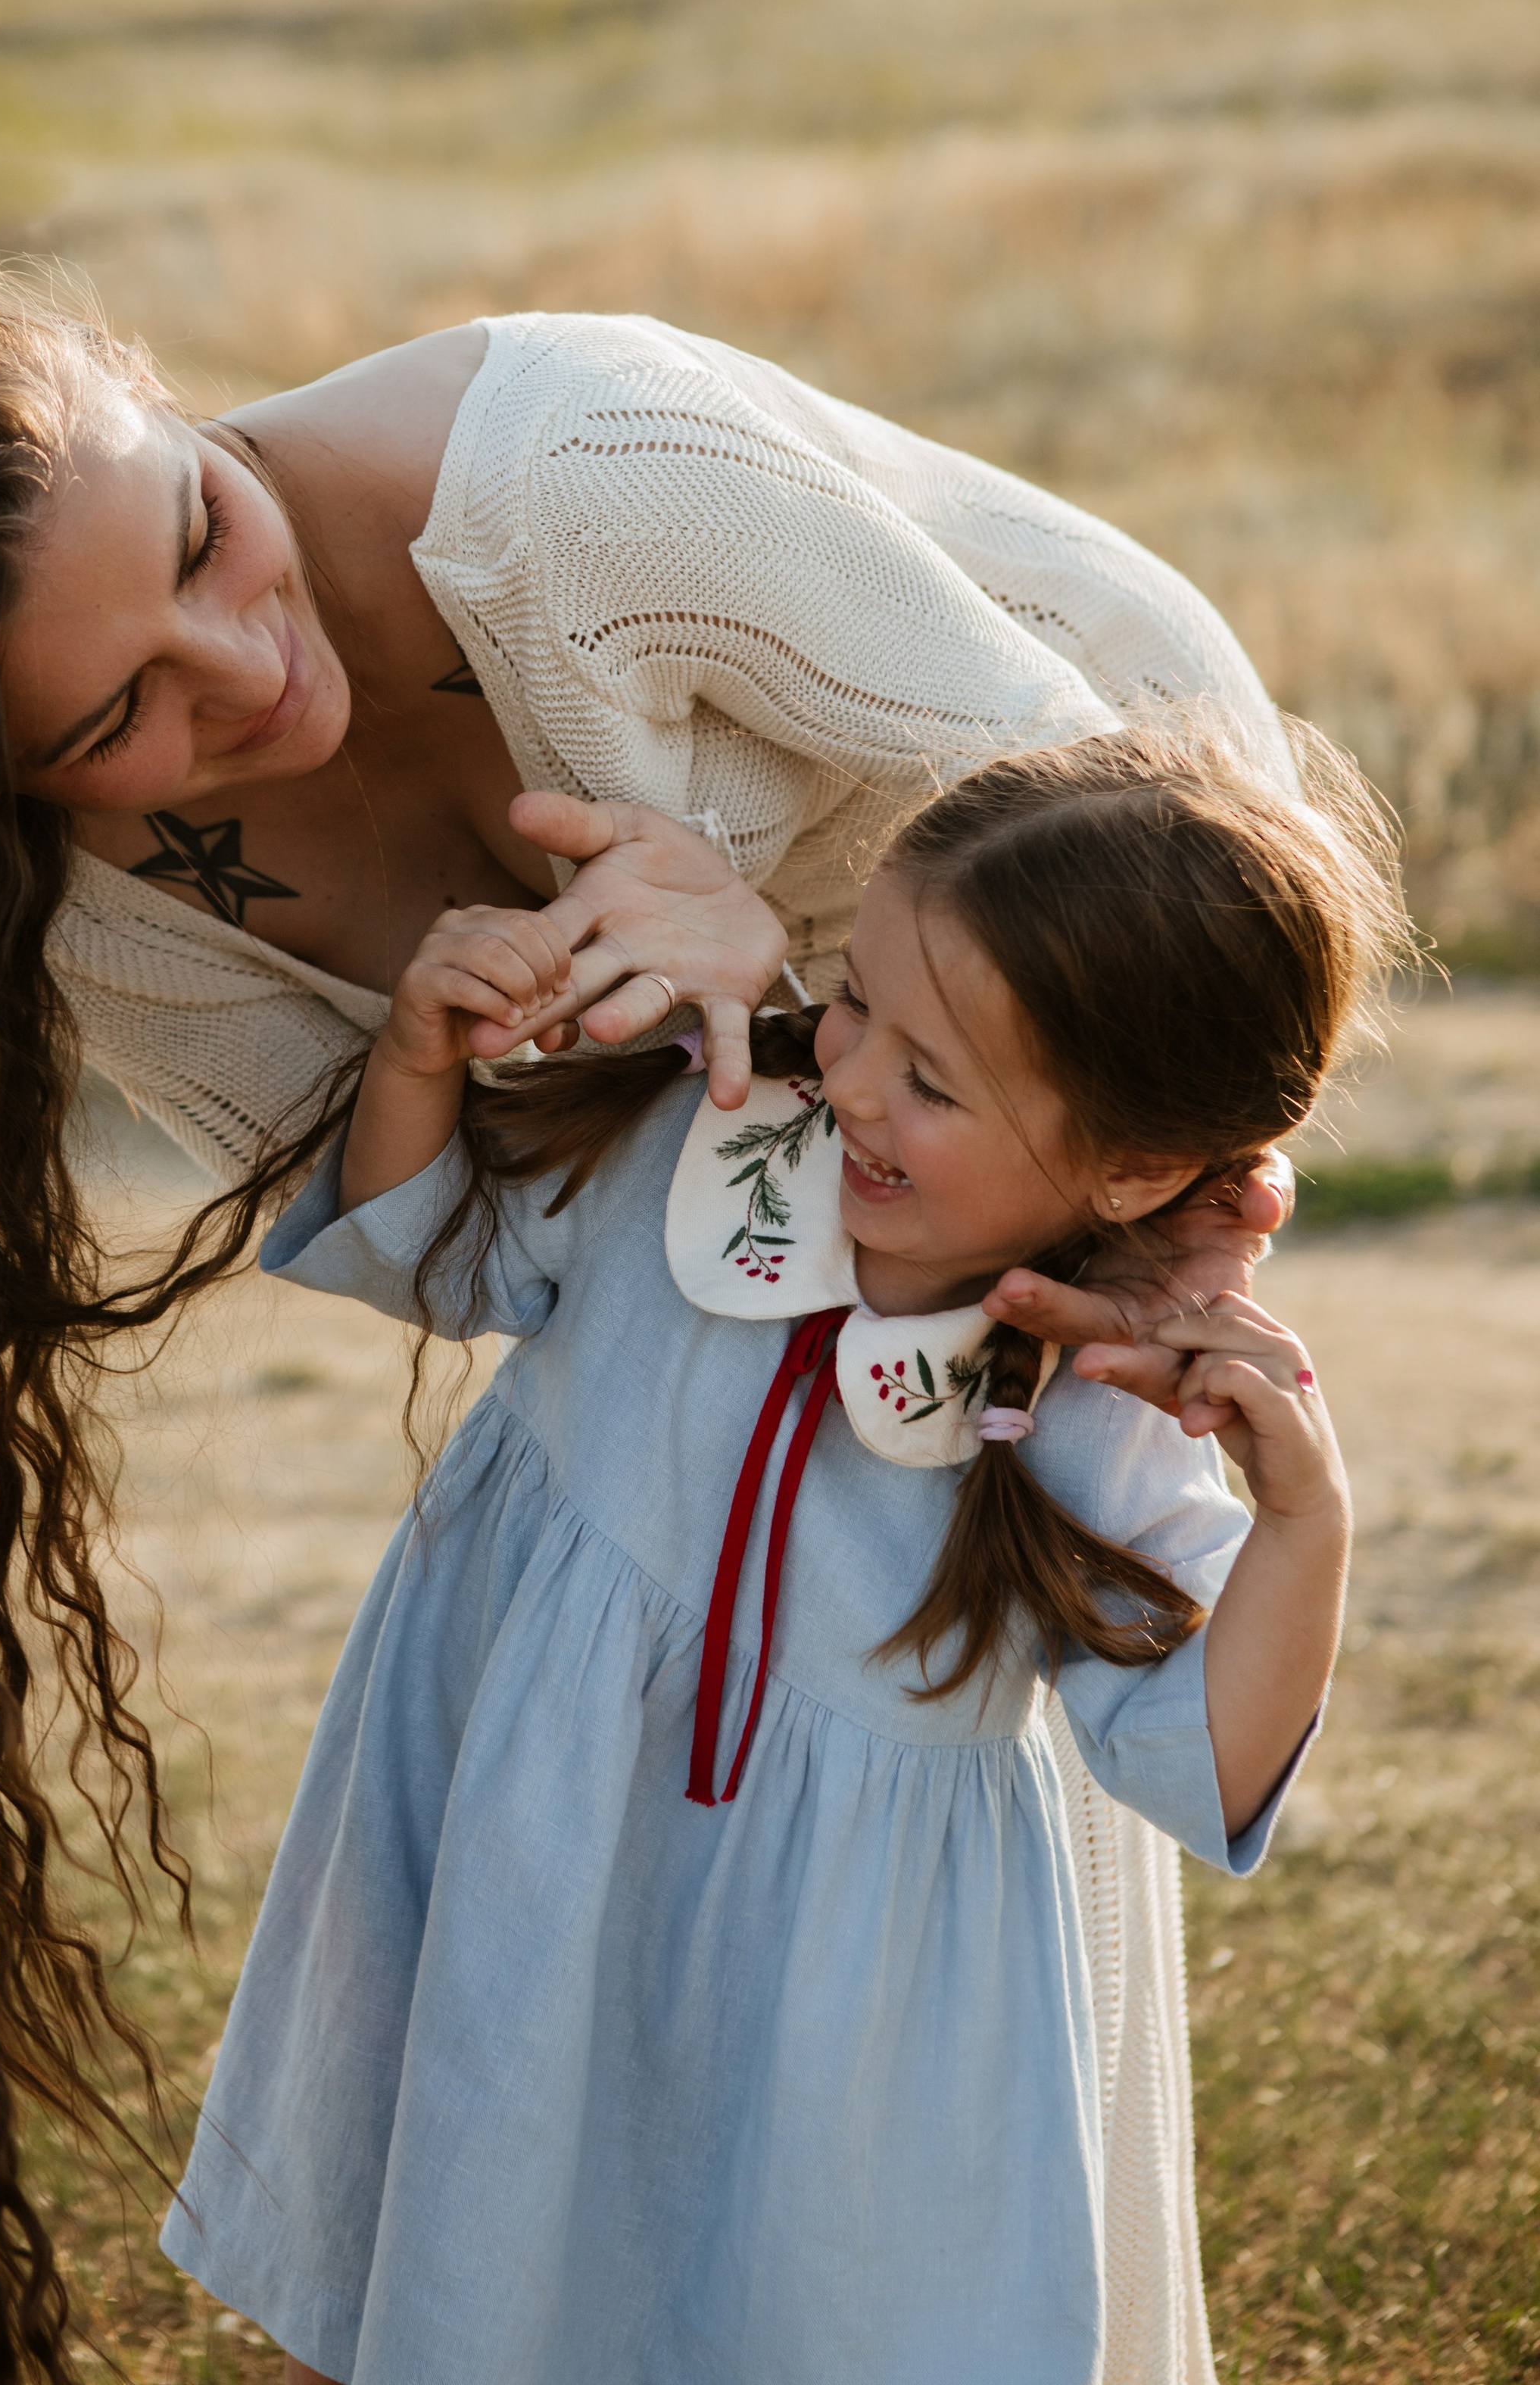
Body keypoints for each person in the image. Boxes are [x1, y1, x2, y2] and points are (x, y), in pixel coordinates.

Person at [0, 254, 1292, 2383]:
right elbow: (518, 1228)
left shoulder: (580, 486)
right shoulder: (111, 924)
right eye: (110, 719)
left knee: (892, 1946)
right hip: (769, 1287)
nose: (241, 672)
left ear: (163, 385)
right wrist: (575, 1047)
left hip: (1133, 975)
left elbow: (1134, 904)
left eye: (201, 528)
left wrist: (765, 981)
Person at [167, 728, 1403, 2385]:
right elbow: (416, 1251)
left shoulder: (1099, 1402)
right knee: (453, 2250)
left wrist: (1304, 1523)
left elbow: (1195, 1756)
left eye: (933, 1080)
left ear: (1131, 1167)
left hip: (838, 2012)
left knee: (776, 2308)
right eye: (859, 1003)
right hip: (531, 1857)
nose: (856, 1081)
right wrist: (414, 1061)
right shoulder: (699, 1143)